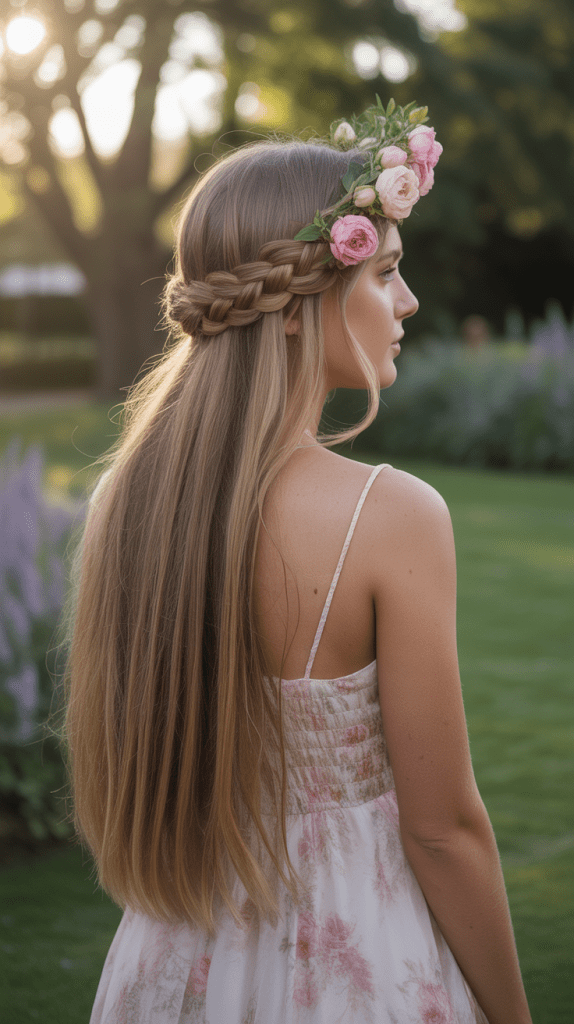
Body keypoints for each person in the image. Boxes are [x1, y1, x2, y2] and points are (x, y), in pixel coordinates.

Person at [62, 99, 533, 1024]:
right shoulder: (389, 516)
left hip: (170, 967)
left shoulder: (127, 504)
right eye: (387, 272)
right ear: (294, 306)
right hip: (353, 961)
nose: (409, 304)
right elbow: (443, 832)